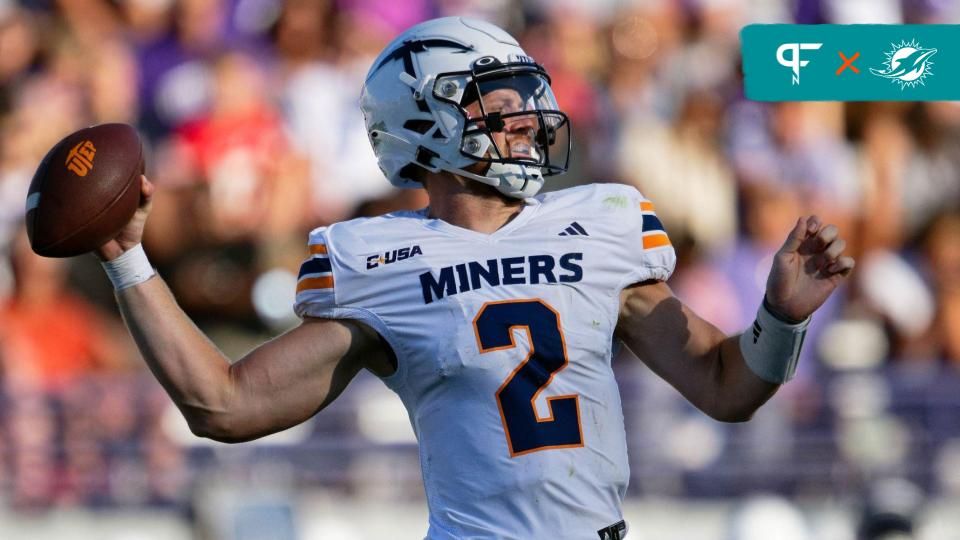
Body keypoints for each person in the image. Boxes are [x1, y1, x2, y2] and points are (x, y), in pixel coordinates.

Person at [93, 17, 854, 540]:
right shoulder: (380, 259)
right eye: (501, 102)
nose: (528, 117)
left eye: (528, 97)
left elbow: (726, 388)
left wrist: (780, 319)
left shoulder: (599, 223)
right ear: (426, 121)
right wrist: (126, 258)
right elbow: (223, 405)